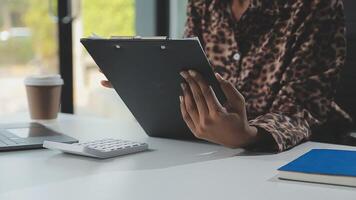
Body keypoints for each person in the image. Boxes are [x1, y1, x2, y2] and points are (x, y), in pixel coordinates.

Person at [102, 0, 352, 152]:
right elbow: (191, 75)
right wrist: (151, 82)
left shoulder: (315, 5)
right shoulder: (203, 4)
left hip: (301, 157)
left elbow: (301, 108)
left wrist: (248, 135)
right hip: (214, 153)